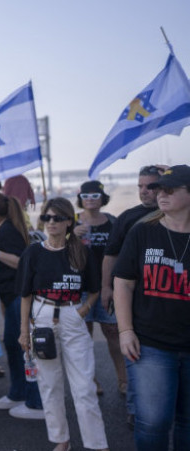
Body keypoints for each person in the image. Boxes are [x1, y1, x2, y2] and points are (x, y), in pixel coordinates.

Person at [18, 197, 108, 451]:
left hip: (72, 316)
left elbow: (94, 289)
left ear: (69, 221)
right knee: (50, 385)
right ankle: (61, 440)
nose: (52, 222)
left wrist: (83, 310)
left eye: (58, 218)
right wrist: (24, 332)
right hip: (42, 316)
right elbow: (25, 294)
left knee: (84, 388)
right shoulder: (33, 252)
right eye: (47, 217)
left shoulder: (81, 251)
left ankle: (97, 444)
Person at [113, 164, 190, 451]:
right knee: (153, 422)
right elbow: (123, 282)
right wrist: (125, 330)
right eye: (158, 189)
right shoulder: (143, 232)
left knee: (188, 423)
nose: (160, 195)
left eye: (170, 189)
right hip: (151, 344)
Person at [102, 164, 164, 427]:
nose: (144, 191)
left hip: (171, 298)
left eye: (150, 186)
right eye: (140, 186)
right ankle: (135, 408)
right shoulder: (128, 218)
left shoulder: (180, 213)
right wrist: (106, 287)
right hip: (135, 298)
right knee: (135, 354)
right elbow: (111, 254)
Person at [0, 192, 44, 420]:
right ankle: (18, 392)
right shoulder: (1, 229)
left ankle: (36, 402)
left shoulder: (8, 232)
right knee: (15, 346)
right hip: (11, 297)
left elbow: (21, 262)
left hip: (19, 297)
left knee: (25, 349)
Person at [73, 181, 126, 397]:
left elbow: (122, 254)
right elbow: (54, 250)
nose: (91, 198)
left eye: (95, 194)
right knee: (84, 337)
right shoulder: (71, 222)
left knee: (113, 333)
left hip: (106, 288)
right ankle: (91, 380)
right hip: (79, 289)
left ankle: (123, 381)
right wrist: (71, 235)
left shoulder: (113, 223)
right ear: (81, 198)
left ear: (103, 197)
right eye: (86, 195)